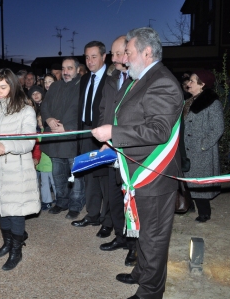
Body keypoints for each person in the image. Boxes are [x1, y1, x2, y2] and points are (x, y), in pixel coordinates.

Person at [92, 27, 183, 299]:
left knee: (153, 239)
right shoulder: (140, 78)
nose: (124, 59)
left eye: (128, 53)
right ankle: (142, 273)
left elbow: (158, 130)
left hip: (154, 175)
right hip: (136, 170)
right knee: (143, 232)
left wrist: (113, 134)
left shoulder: (162, 81)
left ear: (147, 52)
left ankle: (150, 293)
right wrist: (111, 139)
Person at [0, 68, 40, 271]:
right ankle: (7, 243)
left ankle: (16, 250)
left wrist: (8, 145)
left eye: (3, 87)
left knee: (15, 212)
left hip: (17, 171)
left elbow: (29, 142)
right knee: (1, 210)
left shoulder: (26, 110)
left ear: (13, 86)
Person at [97, 35, 137, 267]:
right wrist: (104, 137)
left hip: (130, 148)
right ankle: (120, 237)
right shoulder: (113, 78)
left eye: (116, 53)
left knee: (130, 198)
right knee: (113, 194)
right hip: (111, 146)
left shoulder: (139, 79)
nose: (113, 58)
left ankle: (134, 246)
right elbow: (104, 109)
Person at [71, 41, 110, 231]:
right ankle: (93, 214)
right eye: (87, 57)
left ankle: (108, 220)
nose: (89, 60)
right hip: (86, 132)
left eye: (94, 56)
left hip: (104, 134)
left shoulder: (112, 79)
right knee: (90, 176)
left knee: (106, 179)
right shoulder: (85, 79)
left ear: (104, 57)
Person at [40, 57, 85, 219]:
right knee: (58, 174)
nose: (66, 72)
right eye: (64, 68)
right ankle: (61, 202)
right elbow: (44, 106)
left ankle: (76, 204)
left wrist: (67, 126)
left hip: (72, 138)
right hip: (54, 138)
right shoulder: (55, 86)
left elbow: (83, 112)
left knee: (76, 175)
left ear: (77, 70)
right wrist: (49, 119)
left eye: (70, 68)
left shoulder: (84, 86)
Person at [184, 70, 224, 222]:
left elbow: (218, 128)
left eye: (193, 81)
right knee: (190, 181)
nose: (189, 83)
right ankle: (190, 205)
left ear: (202, 84)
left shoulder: (212, 103)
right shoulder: (189, 101)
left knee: (201, 183)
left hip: (202, 152)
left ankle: (204, 212)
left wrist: (203, 146)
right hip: (188, 148)